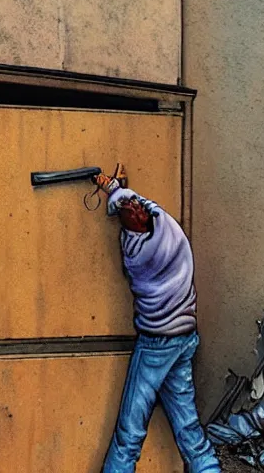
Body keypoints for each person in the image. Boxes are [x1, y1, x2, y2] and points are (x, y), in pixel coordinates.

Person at [95, 171, 221, 473]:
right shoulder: (157, 238)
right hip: (181, 339)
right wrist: (118, 189)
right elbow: (146, 206)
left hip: (158, 342)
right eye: (132, 211)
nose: (138, 208)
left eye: (135, 206)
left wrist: (113, 188)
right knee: (186, 424)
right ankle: (208, 468)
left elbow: (137, 205)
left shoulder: (137, 246)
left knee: (130, 431)